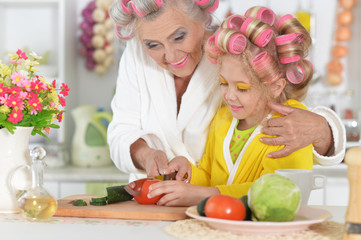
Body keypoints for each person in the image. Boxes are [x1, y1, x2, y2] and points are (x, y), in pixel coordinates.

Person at [107, 0, 345, 183]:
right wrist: (147, 155)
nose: (170, 55)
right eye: (153, 45)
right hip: (152, 199)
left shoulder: (233, 53)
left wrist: (324, 131)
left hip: (218, 205)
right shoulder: (136, 56)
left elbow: (281, 108)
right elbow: (121, 131)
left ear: (203, 19)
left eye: (179, 37)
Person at [147, 8, 319, 206]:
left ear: (275, 87)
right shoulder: (223, 119)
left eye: (242, 88)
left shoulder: (292, 125)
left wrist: (202, 195)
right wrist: (188, 173)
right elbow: (209, 177)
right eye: (223, 83)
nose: (229, 96)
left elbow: (279, 190)